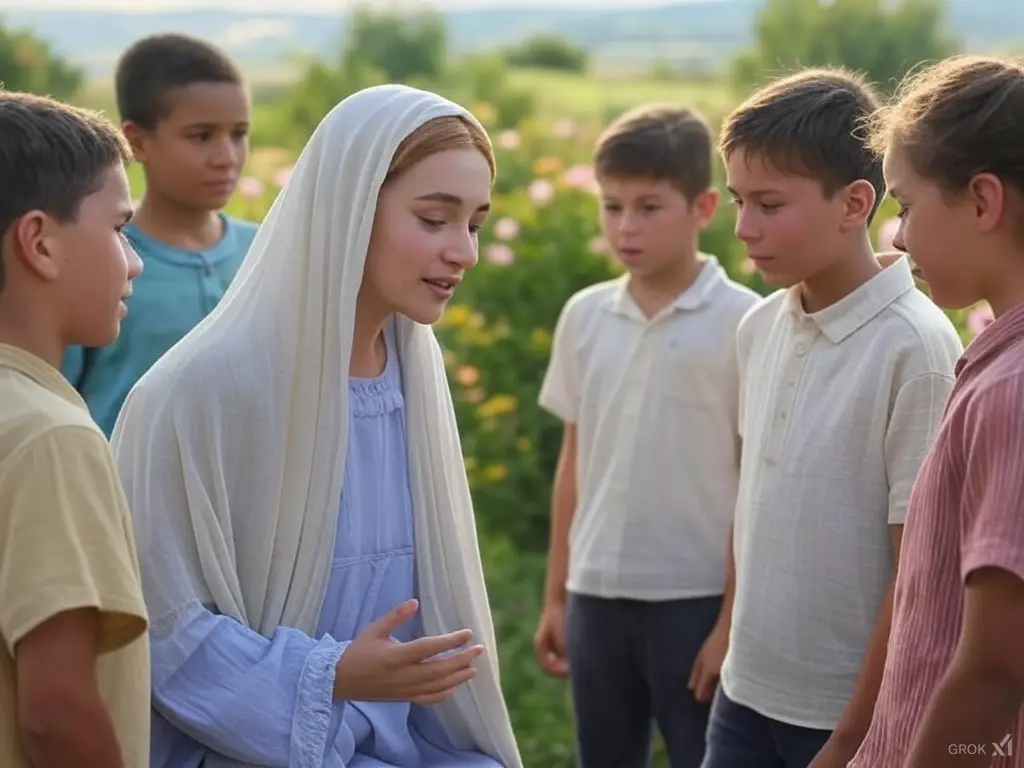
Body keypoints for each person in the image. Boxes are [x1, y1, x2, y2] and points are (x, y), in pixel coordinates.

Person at [109, 84, 521, 768]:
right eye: (433, 219)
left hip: (407, 745)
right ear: (349, 207)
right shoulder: (203, 390)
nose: (465, 252)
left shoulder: (413, 370)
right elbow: (158, 623)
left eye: (474, 224)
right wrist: (330, 677)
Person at [703, 68, 964, 768]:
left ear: (855, 204)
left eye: (768, 204)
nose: (742, 227)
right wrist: (727, 631)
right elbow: (751, 501)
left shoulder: (918, 349)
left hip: (845, 721)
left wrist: (855, 735)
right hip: (743, 697)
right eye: (737, 201)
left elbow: (919, 577)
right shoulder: (758, 326)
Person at [534, 103, 760, 768]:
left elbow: (755, 487)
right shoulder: (584, 316)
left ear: (703, 206)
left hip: (693, 604)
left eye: (648, 207)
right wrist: (556, 594)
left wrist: (729, 623)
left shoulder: (747, 324)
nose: (625, 227)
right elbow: (573, 463)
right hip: (594, 598)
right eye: (612, 207)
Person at [850, 54, 1024, 768]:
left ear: (983, 202)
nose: (896, 236)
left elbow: (995, 673)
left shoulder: (1012, 390)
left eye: (905, 205)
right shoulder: (991, 351)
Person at [0, 92, 148, 767]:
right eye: (119, 228)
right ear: (39, 243)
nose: (135, 260)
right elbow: (57, 713)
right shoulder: (52, 438)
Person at [62, 33, 258, 435]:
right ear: (137, 142)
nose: (227, 157)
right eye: (202, 136)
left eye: (239, 134)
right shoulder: (98, 260)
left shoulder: (265, 251)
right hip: (120, 492)